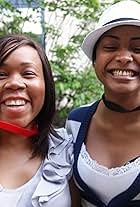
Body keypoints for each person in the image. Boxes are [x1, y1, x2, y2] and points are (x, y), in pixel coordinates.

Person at [66, 0, 140, 206]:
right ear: (94, 60)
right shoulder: (76, 122)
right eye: (110, 47)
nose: (124, 57)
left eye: (138, 48)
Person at [0, 34, 73, 207]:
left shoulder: (66, 150)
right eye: (1, 74)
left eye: (28, 73)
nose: (15, 83)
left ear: (46, 85)